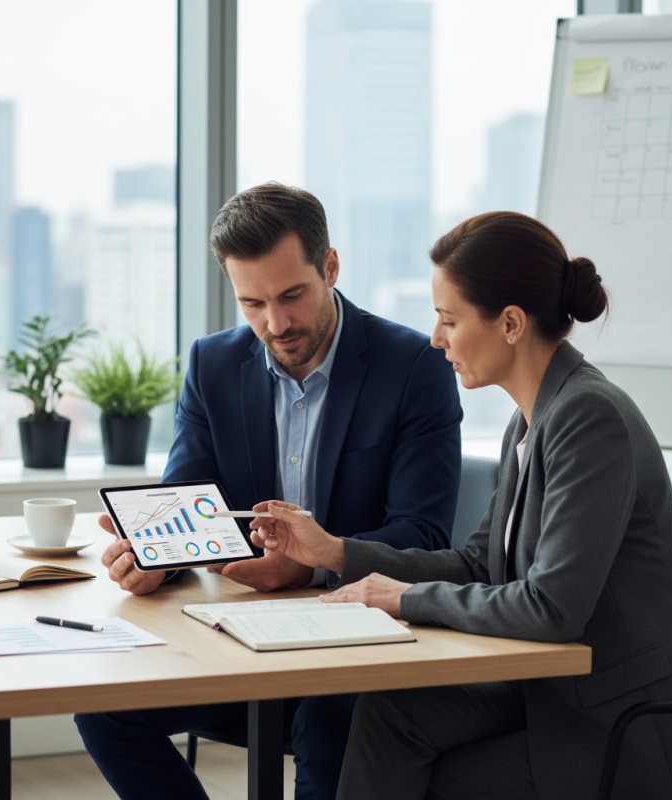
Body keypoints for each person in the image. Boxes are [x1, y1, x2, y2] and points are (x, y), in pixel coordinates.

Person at [249, 211, 672, 800]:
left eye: (449, 319)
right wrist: (336, 552)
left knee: (437, 782)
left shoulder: (589, 418)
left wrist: (403, 597)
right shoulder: (530, 420)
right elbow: (483, 564)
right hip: (564, 686)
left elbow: (551, 607)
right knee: (388, 715)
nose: (436, 338)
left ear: (510, 322)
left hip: (635, 721)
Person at [74, 182, 463, 800]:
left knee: (327, 720)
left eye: (292, 296)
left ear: (330, 266)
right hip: (242, 640)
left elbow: (424, 534)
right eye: (252, 303)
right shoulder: (212, 365)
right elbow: (188, 505)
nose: (275, 324)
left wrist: (308, 569)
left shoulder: (415, 365)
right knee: (105, 710)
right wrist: (155, 557)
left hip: (355, 646)